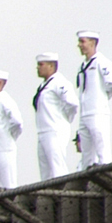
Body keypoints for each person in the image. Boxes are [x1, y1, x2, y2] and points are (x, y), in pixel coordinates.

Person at [32, 52, 78, 180]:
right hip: (43, 131)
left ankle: (62, 195)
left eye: (41, 64)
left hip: (54, 130)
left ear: (51, 66)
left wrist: (64, 119)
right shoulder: (44, 85)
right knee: (45, 170)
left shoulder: (59, 82)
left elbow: (72, 104)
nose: (38, 68)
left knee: (57, 166)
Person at [78, 32, 112, 167]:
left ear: (92, 43)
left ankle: (109, 179)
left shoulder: (101, 62)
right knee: (86, 153)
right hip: (85, 113)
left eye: (83, 42)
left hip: (97, 112)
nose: (80, 45)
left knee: (102, 147)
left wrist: (101, 99)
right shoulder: (83, 66)